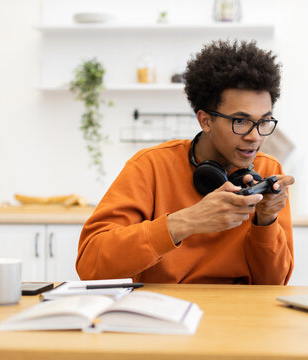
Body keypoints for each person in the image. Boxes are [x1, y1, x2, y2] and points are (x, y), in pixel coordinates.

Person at [76, 40, 295, 284]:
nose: (254, 136)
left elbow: (274, 284)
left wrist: (266, 221)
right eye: (240, 121)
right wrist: (185, 222)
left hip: (238, 315)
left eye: (263, 121)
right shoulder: (150, 166)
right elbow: (90, 266)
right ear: (205, 121)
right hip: (162, 312)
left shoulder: (268, 170)